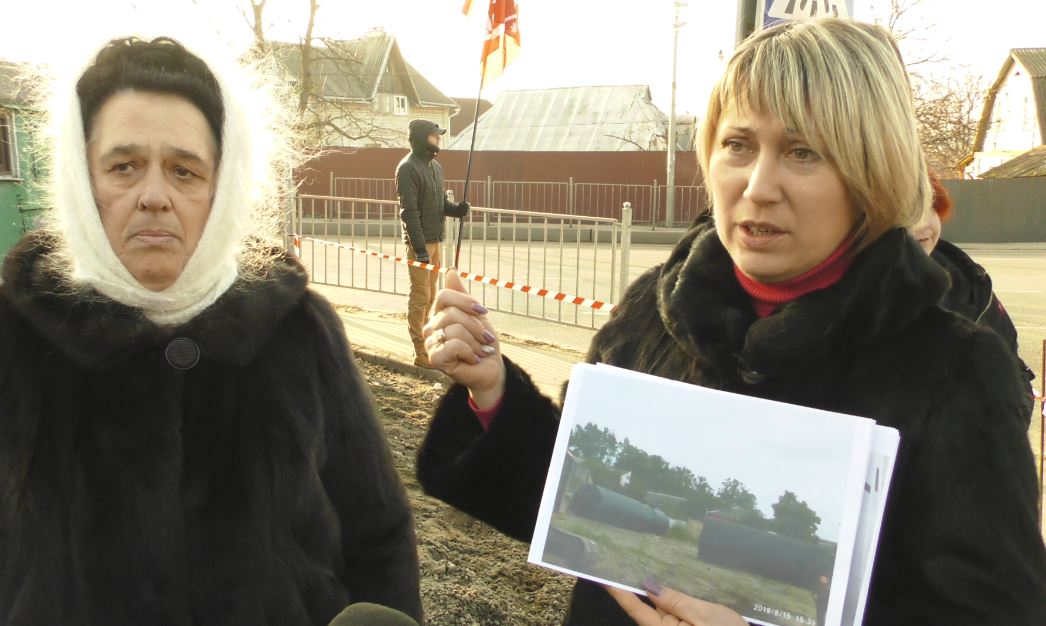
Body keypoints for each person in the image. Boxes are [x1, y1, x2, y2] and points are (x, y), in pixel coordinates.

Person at [415, 18, 1046, 626]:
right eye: (738, 145)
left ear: (869, 171)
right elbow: (575, 508)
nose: (759, 185)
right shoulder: (656, 312)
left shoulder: (955, 373)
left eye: (803, 152)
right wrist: (492, 391)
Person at [0, 37, 421, 625]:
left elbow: (378, 540)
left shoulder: (298, 331)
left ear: (221, 187)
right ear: (81, 180)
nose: (154, 197)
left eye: (184, 170)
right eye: (123, 166)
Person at [913, 172, 1036, 418]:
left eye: (929, 206)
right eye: (904, 213)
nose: (922, 224)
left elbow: (1013, 371)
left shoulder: (968, 281)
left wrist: (1000, 437)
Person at [396, 119, 470, 368]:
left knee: (431, 298)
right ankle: (420, 351)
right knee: (420, 296)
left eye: (439, 136)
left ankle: (430, 343)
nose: (438, 140)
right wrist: (418, 249)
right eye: (433, 136)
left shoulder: (436, 167)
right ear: (420, 139)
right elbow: (409, 212)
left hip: (435, 240)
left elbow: (438, 204)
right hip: (420, 244)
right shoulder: (407, 168)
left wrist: (456, 209)